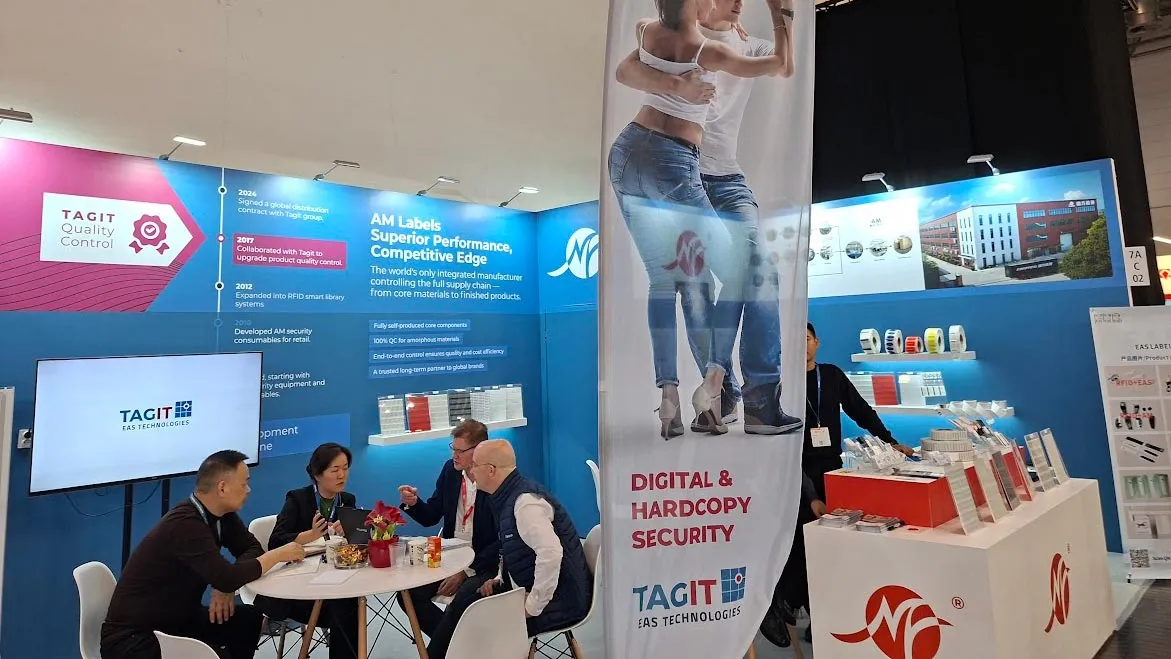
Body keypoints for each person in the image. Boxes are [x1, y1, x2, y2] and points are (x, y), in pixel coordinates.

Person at [608, 0, 795, 439]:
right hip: (678, 166)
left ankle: (760, 399)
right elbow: (627, 72)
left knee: (758, 272)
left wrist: (781, 15)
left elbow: (784, 66)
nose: (736, 3)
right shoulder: (672, 35)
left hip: (724, 178)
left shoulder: (748, 48)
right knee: (691, 283)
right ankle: (719, 391)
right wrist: (676, 85)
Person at [100, 450, 306, 659]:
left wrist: (225, 584)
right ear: (222, 488)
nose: (248, 490)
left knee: (248, 619)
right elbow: (228, 577)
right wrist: (278, 555)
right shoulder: (186, 524)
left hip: (178, 620)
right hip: (134, 639)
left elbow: (250, 548)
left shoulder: (222, 516)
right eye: (243, 484)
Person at [463, 441, 592, 649]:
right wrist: (499, 578)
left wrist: (531, 607)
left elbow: (551, 553)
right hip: (540, 591)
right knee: (466, 603)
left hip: (563, 602)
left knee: (477, 628)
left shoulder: (525, 503)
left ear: (490, 470)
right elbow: (515, 548)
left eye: (474, 465)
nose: (470, 471)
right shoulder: (509, 496)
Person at [396, 420, 500, 659]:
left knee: (462, 600)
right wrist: (413, 504)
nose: (454, 455)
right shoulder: (450, 472)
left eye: (459, 451)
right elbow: (431, 515)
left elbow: (500, 541)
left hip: (484, 564)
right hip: (451, 556)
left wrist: (467, 572)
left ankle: (439, 653)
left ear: (479, 449)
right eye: (452, 448)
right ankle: (465, 646)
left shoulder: (493, 478)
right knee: (408, 595)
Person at [256, 443, 360, 659]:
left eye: (346, 468)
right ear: (317, 474)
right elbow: (276, 541)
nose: (342, 475)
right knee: (345, 607)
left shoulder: (347, 500)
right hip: (298, 587)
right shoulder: (298, 499)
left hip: (333, 579)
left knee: (351, 602)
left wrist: (352, 530)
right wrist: (310, 535)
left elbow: (354, 542)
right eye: (334, 470)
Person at [804, 321, 915, 498]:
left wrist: (889, 442)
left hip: (832, 463)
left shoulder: (831, 374)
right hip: (798, 468)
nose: (802, 346)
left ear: (816, 342)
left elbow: (860, 410)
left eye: (807, 339)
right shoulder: (782, 381)